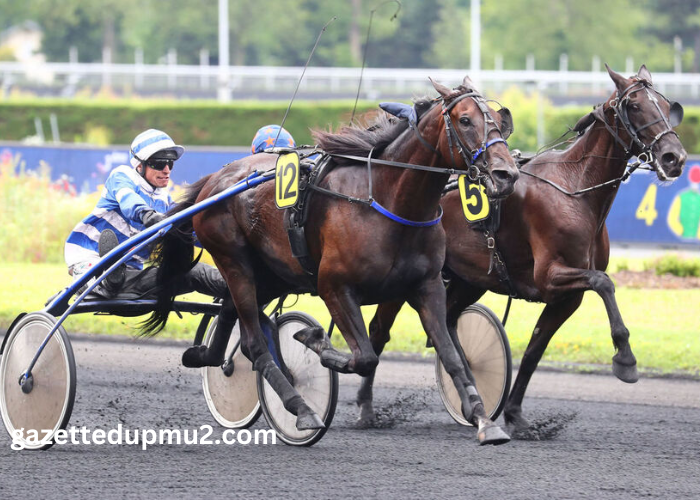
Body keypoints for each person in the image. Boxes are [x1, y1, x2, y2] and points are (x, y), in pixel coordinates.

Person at [64, 128, 227, 300]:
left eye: (170, 163)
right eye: (159, 163)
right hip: (88, 259)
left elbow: (191, 234)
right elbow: (129, 200)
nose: (166, 170)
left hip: (131, 275)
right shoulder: (122, 176)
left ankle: (246, 289)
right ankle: (102, 281)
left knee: (196, 272)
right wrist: (148, 215)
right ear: (139, 165)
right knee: (105, 274)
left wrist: (219, 239)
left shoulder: (164, 201)